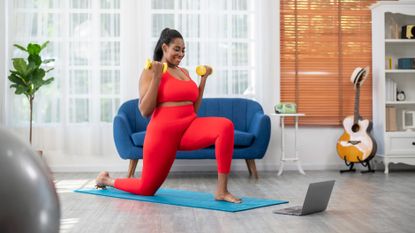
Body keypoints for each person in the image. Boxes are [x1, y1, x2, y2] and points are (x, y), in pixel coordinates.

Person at [96, 28, 241, 203]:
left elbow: (194, 109)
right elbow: (144, 111)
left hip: (188, 127)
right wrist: (157, 76)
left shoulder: (184, 72)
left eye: (183, 50)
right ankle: (106, 180)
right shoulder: (151, 70)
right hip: (163, 134)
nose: (181, 54)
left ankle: (221, 190)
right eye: (176, 49)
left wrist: (203, 80)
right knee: (146, 189)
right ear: (164, 48)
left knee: (225, 126)